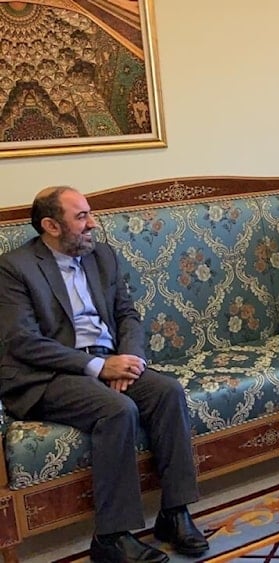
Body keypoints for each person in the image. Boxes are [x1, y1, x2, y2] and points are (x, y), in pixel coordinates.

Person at [0, 187, 208, 562]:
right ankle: (111, 536)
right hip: (48, 375)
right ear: (50, 225)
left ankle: (175, 513)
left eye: (90, 214)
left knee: (167, 391)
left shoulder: (101, 255)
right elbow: (22, 341)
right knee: (116, 409)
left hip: (109, 358)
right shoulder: (14, 268)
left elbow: (127, 314)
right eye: (81, 217)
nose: (93, 223)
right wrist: (96, 366)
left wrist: (128, 357)